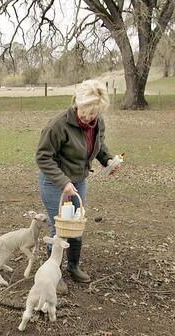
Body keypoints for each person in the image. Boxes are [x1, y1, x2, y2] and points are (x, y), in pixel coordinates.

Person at [35, 79, 119, 283]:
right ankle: (54, 275)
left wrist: (107, 159)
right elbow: (43, 157)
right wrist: (63, 182)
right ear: (76, 102)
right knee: (60, 227)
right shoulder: (58, 125)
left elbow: (98, 144)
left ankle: (73, 266)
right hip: (55, 182)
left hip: (79, 181)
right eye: (85, 111)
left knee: (76, 225)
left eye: (94, 113)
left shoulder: (96, 122)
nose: (88, 116)